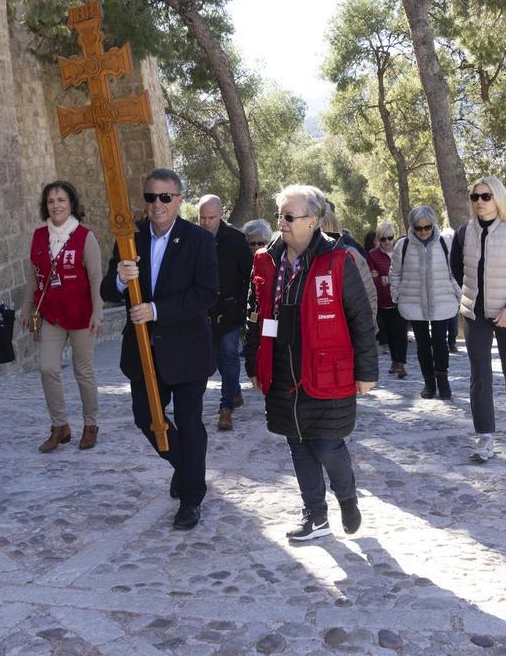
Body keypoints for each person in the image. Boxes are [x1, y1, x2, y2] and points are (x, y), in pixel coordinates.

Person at [244, 186, 377, 542]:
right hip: (283, 369)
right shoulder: (264, 260)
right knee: (298, 444)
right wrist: (254, 363)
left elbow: (361, 317)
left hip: (326, 369)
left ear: (313, 221)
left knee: (327, 444)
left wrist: (367, 371)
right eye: (279, 216)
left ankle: (347, 499)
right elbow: (255, 316)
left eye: (289, 217)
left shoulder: (338, 259)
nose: (282, 224)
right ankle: (315, 516)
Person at [101, 169, 218, 531]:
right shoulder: (129, 236)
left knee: (188, 423)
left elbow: (206, 293)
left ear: (180, 200)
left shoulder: (197, 239)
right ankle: (185, 467)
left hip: (186, 350)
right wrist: (121, 278)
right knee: (145, 418)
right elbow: (108, 290)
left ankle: (191, 498)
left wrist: (156, 309)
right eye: (151, 197)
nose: (157, 205)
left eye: (165, 197)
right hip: (142, 351)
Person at [450, 177, 506, 463]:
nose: (479, 202)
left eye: (486, 196)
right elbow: (457, 269)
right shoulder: (464, 234)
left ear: (497, 198)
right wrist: (468, 298)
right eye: (475, 197)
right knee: (480, 376)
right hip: (475, 315)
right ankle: (485, 435)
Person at [20, 182, 104, 452]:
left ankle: (90, 425)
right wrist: (26, 308)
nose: (56, 205)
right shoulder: (38, 237)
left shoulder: (84, 237)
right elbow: (34, 277)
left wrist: (98, 313)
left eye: (61, 200)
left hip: (81, 316)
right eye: (51, 201)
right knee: (47, 369)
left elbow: (95, 278)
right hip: (51, 316)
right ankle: (60, 426)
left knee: (84, 373)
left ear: (71, 203)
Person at [390, 206, 460, 399]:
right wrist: (396, 294)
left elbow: (454, 271)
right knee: (422, 345)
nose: (423, 232)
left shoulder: (445, 243)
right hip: (413, 301)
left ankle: (443, 381)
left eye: (427, 227)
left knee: (440, 342)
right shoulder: (402, 245)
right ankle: (429, 383)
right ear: (412, 227)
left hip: (442, 299)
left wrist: (458, 293)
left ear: (433, 225)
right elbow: (395, 273)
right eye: (418, 228)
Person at [197, 195, 253, 431]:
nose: (207, 222)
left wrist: (241, 304)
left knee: (229, 354)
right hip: (203, 312)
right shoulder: (194, 239)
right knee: (216, 358)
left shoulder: (236, 240)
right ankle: (235, 391)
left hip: (231, 312)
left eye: (211, 217)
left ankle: (226, 407)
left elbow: (249, 276)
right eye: (202, 218)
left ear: (221, 214)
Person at [367, 222, 408, 378]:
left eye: (390, 238)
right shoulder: (373, 255)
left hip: (401, 298)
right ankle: (394, 360)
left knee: (401, 332)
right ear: (378, 239)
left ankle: (401, 363)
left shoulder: (401, 252)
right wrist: (382, 279)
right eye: (383, 239)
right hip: (383, 300)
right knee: (390, 333)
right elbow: (372, 276)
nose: (387, 242)